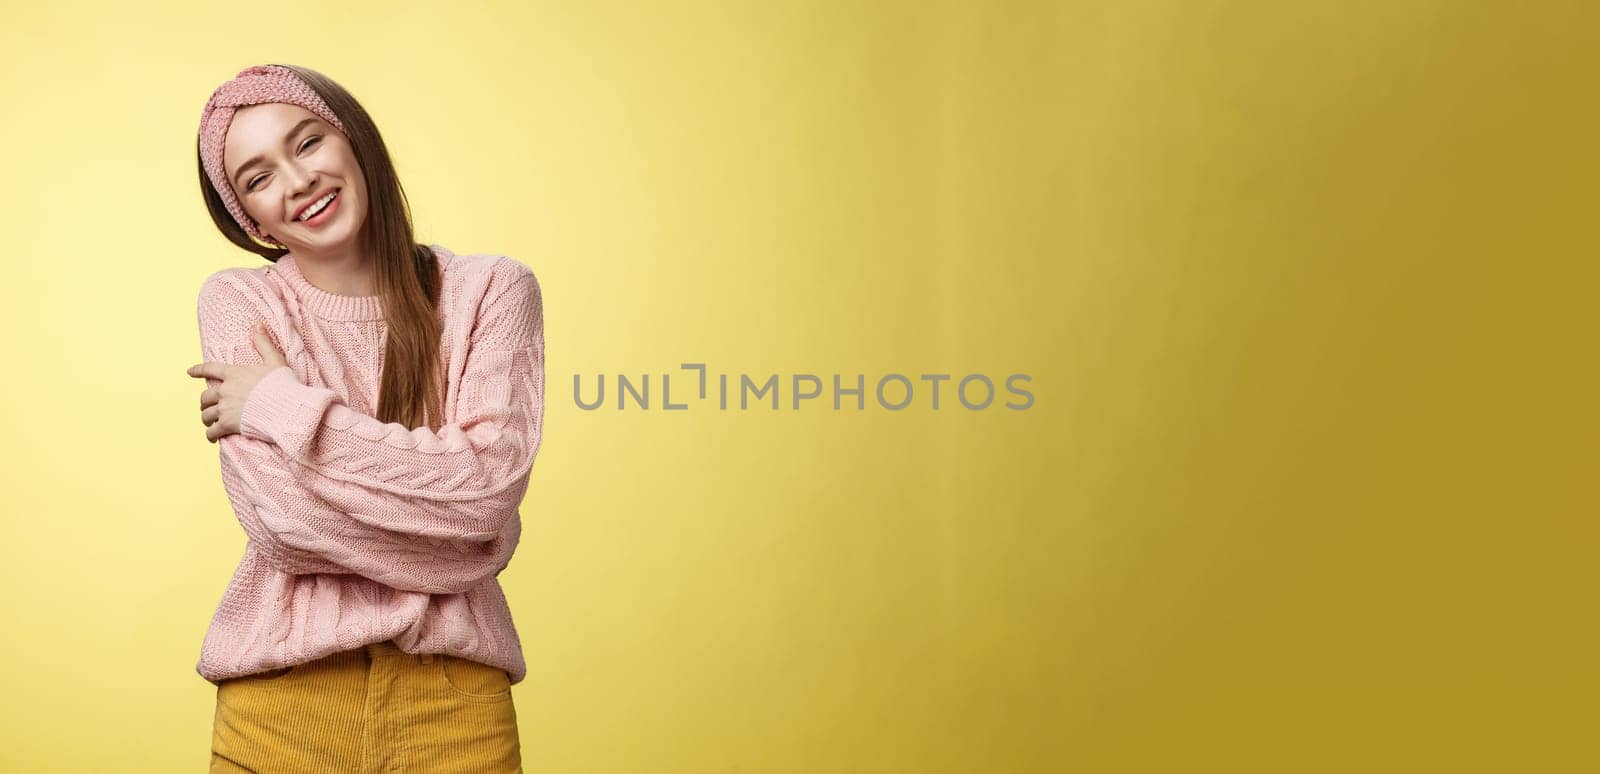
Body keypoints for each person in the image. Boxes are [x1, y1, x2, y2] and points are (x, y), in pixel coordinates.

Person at [185, 63, 544, 772]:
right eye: (258, 178)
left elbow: (485, 496)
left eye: (308, 143)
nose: (297, 181)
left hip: (455, 706)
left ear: (354, 141)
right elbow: (283, 526)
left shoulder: (491, 291)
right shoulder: (241, 305)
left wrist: (281, 406)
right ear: (248, 219)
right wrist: (452, 542)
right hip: (279, 704)